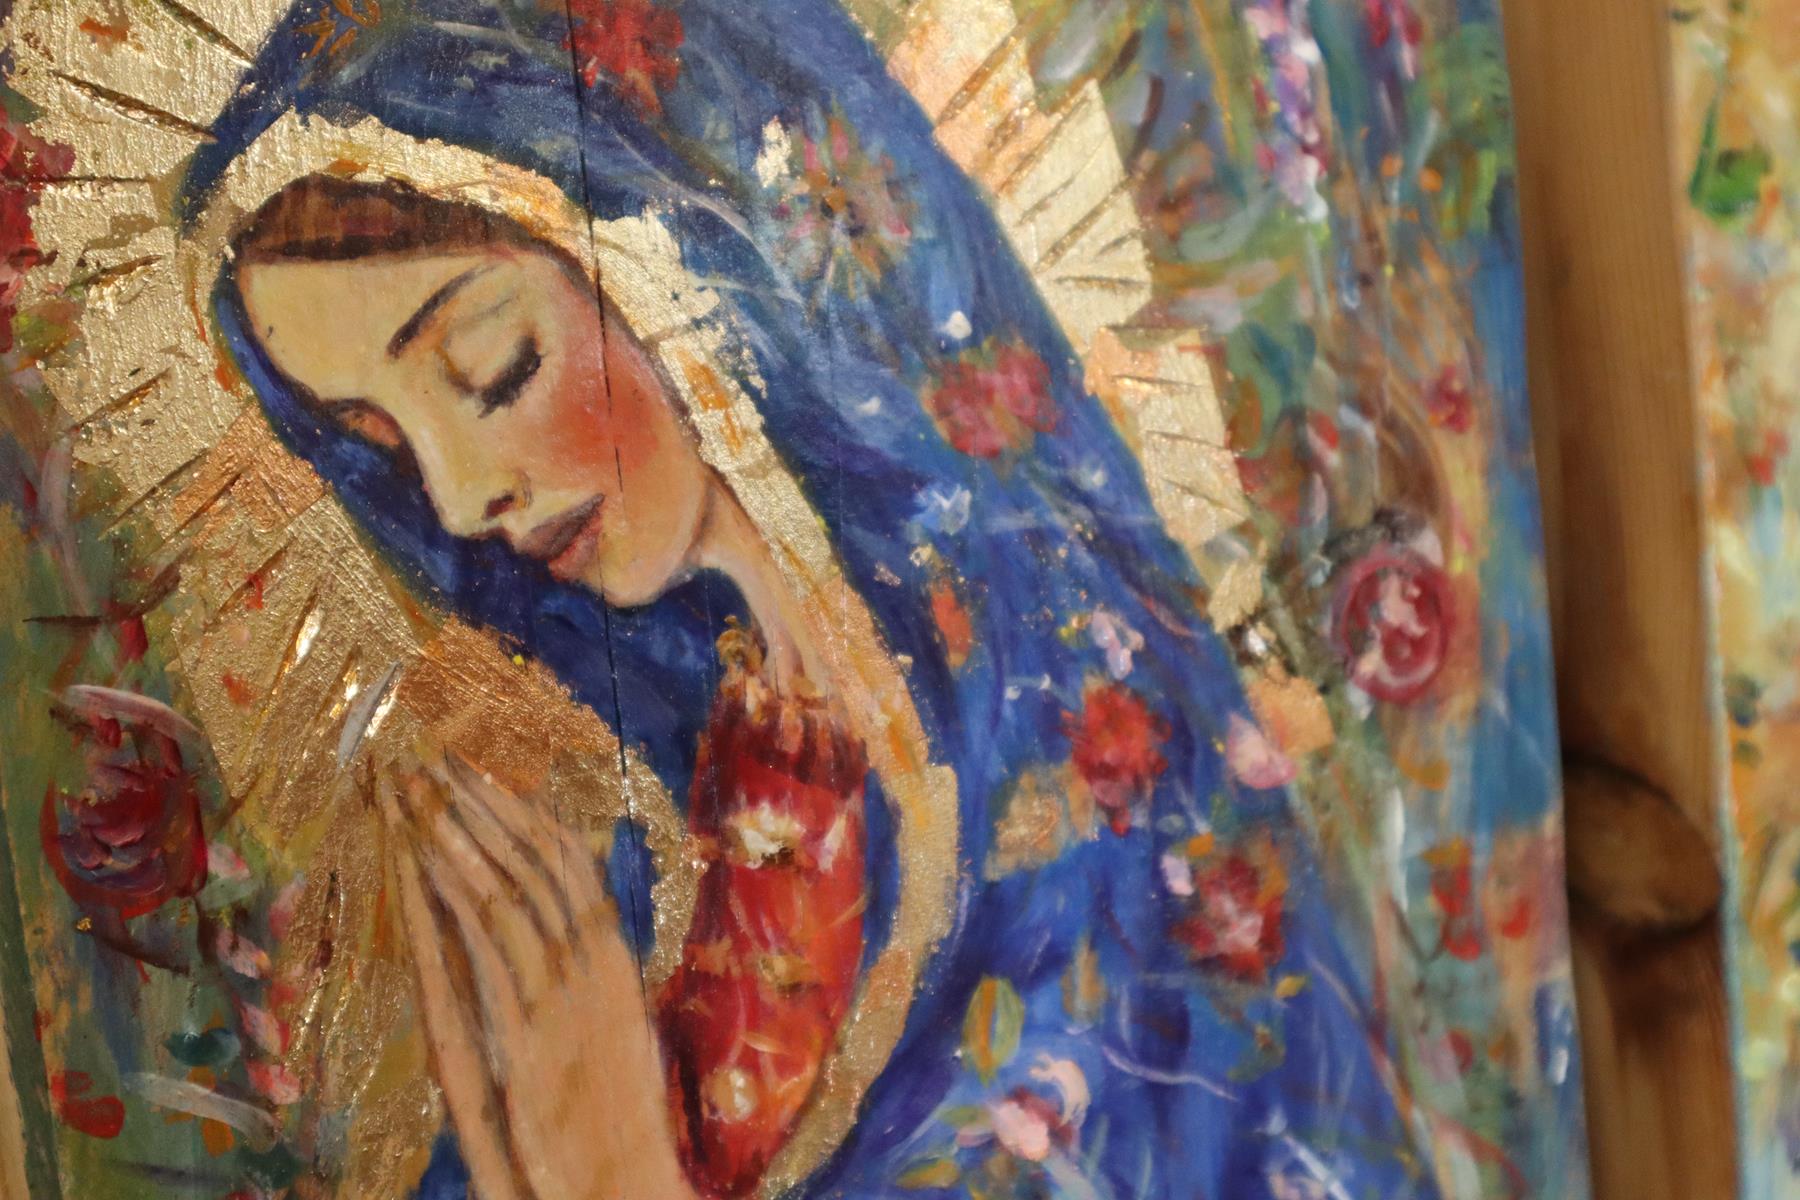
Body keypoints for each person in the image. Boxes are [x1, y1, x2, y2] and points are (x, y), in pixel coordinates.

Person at [179, 0, 1436, 1195]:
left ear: (705, 254)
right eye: (379, 440)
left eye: (493, 366)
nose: (457, 503)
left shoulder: (1091, 760)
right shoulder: (615, 853)